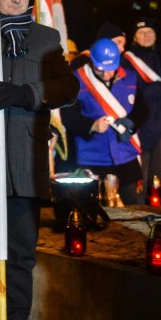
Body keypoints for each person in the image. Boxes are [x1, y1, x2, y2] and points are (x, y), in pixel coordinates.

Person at [0, 0, 79, 320]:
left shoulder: (45, 38)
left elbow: (68, 87)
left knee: (20, 256)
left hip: (24, 165)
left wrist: (26, 94)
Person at [61, 37, 150, 205]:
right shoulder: (77, 80)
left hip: (126, 156)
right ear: (92, 62)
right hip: (92, 157)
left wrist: (131, 125)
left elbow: (143, 109)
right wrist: (91, 125)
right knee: (90, 206)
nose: (107, 74)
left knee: (134, 204)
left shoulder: (130, 78)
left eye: (111, 69)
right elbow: (67, 115)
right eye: (101, 69)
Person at [123, 19, 161, 199]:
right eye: (141, 32)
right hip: (141, 127)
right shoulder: (127, 60)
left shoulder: (158, 57)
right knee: (139, 179)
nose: (146, 36)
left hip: (159, 127)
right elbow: (138, 95)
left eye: (150, 32)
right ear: (134, 37)